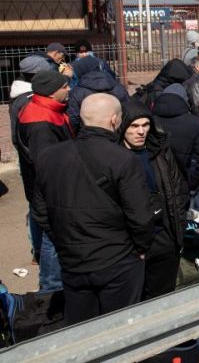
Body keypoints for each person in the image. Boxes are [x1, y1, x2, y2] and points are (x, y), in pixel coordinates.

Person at [34, 94, 153, 325]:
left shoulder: (48, 156)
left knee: (82, 330)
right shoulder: (124, 159)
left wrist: (63, 241)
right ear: (114, 120)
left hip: (73, 260)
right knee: (119, 329)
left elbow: (39, 210)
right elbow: (140, 215)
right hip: (117, 260)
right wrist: (140, 247)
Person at [120, 100, 188, 300]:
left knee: (162, 297)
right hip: (131, 243)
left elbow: (178, 189)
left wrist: (178, 231)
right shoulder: (115, 156)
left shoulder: (160, 151)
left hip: (164, 236)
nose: (140, 131)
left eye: (145, 125)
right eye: (134, 126)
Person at [14, 70, 73, 292]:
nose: (68, 89)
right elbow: (46, 162)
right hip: (49, 189)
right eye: (64, 87)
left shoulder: (45, 110)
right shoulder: (41, 122)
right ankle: (51, 288)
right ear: (51, 92)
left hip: (46, 186)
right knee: (52, 238)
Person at [152, 84, 199, 192]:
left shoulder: (148, 121)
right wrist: (189, 184)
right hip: (181, 187)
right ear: (185, 101)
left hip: (155, 186)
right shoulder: (195, 124)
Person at [66, 54, 128, 133]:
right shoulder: (119, 87)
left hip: (88, 133)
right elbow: (127, 111)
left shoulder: (76, 92)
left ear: (81, 71)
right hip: (115, 131)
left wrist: (79, 134)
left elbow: (73, 118)